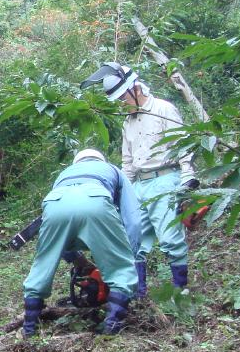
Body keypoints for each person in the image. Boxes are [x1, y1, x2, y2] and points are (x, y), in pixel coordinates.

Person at [83, 62, 198, 296]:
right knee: (133, 239)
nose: (121, 104)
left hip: (165, 178)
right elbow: (127, 161)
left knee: (169, 237)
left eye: (122, 98)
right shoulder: (128, 122)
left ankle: (180, 291)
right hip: (139, 186)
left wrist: (188, 175)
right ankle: (139, 294)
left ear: (134, 89)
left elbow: (182, 143)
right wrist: (121, 191)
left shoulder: (163, 109)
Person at [22, 149, 143, 337]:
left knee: (42, 264)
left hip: (55, 205)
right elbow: (133, 219)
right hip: (96, 203)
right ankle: (112, 324)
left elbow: (56, 239)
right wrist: (129, 255)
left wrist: (75, 259)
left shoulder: (64, 175)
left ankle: (29, 327)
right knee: (121, 269)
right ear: (100, 160)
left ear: (76, 163)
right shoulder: (113, 171)